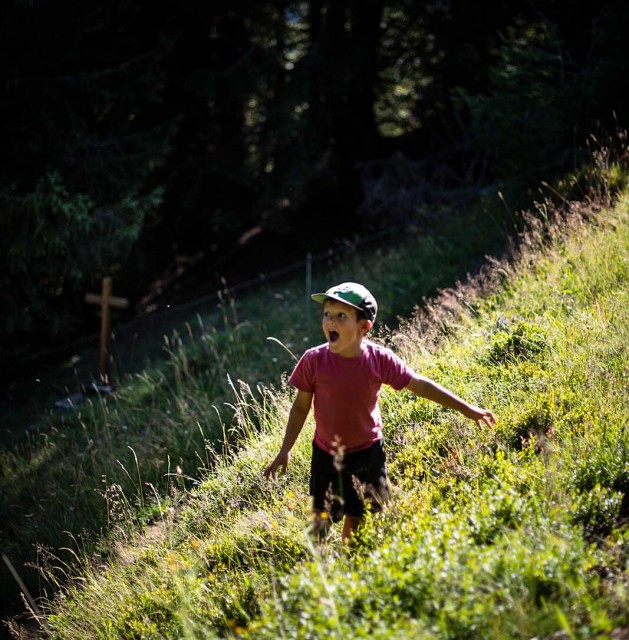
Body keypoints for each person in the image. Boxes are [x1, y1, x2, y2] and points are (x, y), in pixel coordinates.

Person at [263, 282, 496, 544]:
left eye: (341, 316)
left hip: (367, 453)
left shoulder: (380, 359)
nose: (330, 322)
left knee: (360, 514)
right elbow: (300, 407)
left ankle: (351, 560)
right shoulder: (313, 360)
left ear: (364, 327)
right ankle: (319, 566)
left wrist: (467, 409)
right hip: (326, 455)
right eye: (327, 314)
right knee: (321, 517)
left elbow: (418, 384)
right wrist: (285, 449)